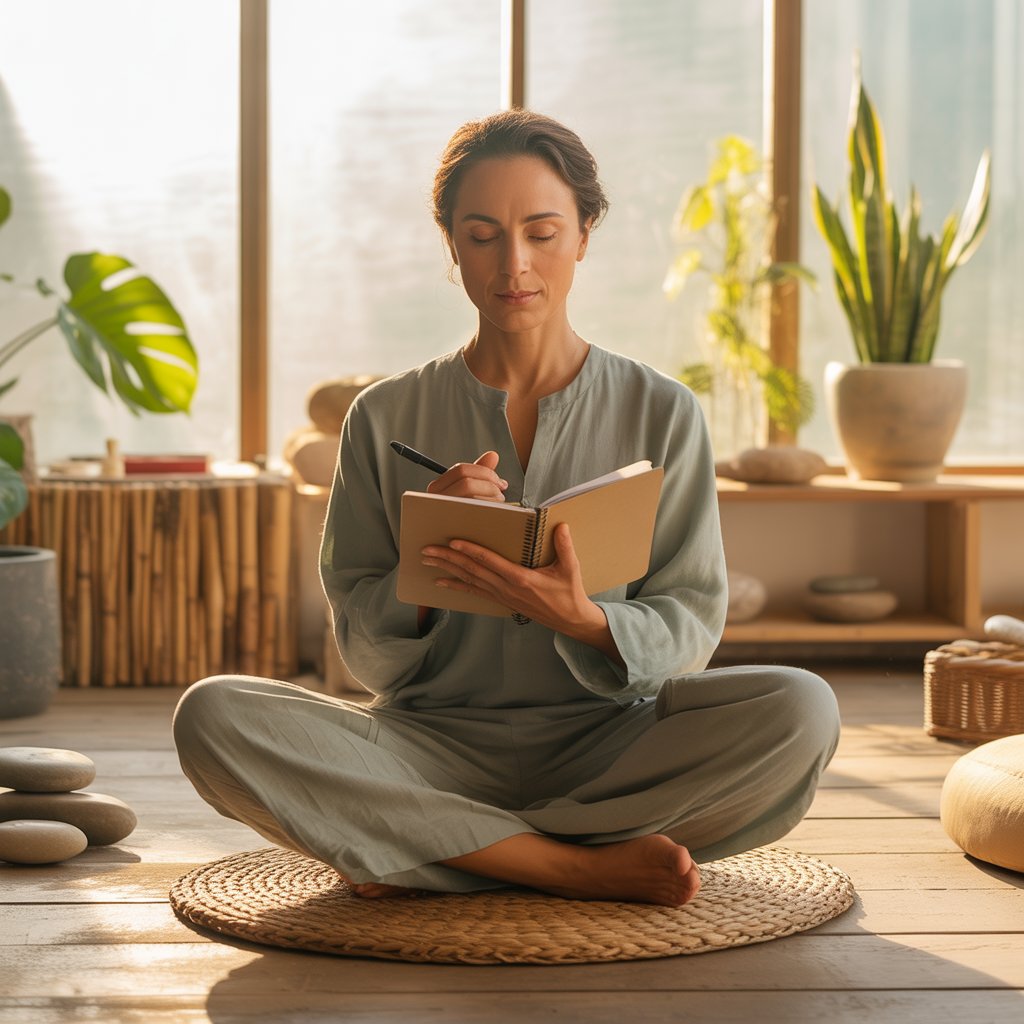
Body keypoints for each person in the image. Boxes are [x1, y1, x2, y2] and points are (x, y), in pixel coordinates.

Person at [173, 110, 840, 908]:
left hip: (612, 747)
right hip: (425, 746)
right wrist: (421, 565)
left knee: (802, 707)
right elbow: (362, 652)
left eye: (543, 232)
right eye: (482, 234)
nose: (513, 264)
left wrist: (588, 621)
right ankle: (570, 865)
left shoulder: (664, 411)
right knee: (211, 716)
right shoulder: (382, 417)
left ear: (585, 234)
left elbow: (691, 623)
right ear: (451, 244)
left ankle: (425, 845)